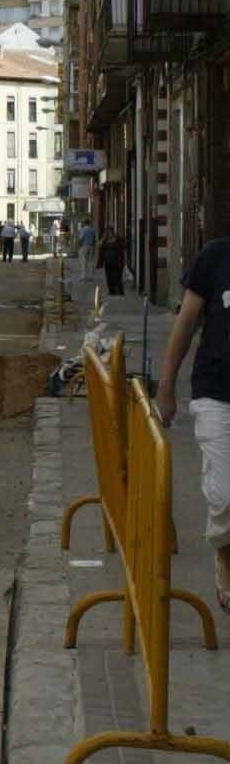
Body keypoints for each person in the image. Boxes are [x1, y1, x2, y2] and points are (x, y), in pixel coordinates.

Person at [156, 238, 230, 613]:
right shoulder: (216, 258)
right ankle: (225, 554)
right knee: (224, 493)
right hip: (216, 393)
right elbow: (185, 324)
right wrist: (166, 386)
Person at [98, 227, 127, 298]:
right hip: (108, 261)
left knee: (118, 277)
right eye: (107, 232)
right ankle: (111, 291)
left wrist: (124, 260)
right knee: (109, 277)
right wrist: (103, 238)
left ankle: (120, 291)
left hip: (117, 261)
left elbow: (123, 248)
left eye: (110, 232)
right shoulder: (105, 240)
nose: (109, 234)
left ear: (113, 232)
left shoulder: (118, 239)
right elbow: (99, 245)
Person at [79, 219, 97, 283]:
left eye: (82, 223)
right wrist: (94, 246)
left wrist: (79, 246)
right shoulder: (92, 230)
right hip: (91, 246)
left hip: (84, 246)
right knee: (91, 261)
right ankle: (91, 276)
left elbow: (81, 239)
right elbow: (94, 239)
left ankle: (83, 276)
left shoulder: (83, 229)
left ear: (84, 223)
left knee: (84, 261)